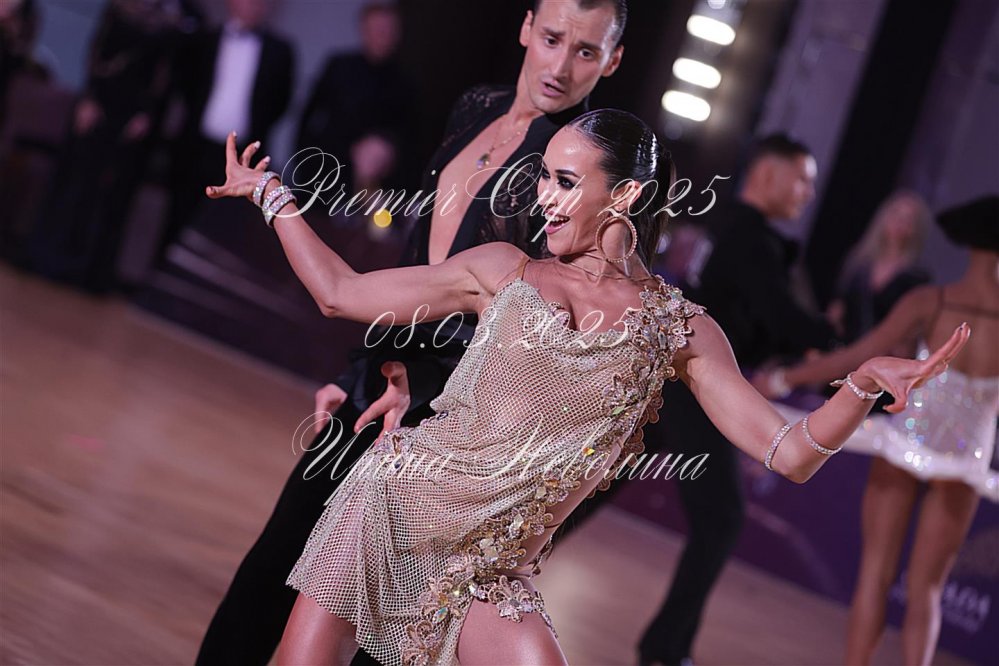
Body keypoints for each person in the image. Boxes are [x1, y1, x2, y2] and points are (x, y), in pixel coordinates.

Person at [205, 108, 969, 665]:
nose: (543, 195)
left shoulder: (679, 330)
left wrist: (860, 385)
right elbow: (340, 292)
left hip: (485, 572)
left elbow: (790, 451)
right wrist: (272, 195)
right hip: (391, 509)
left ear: (625, 197)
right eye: (543, 175)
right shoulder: (502, 270)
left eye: (565, 181)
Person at [194, 2, 625, 664]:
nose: (561, 66)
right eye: (552, 39)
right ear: (525, 28)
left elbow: (536, 322)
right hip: (380, 382)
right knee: (273, 568)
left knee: (383, 628)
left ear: (613, 61)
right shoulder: (476, 107)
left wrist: (418, 386)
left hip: (448, 421)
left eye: (586, 52)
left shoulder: (577, 168)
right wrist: (359, 370)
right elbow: (417, 263)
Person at [758, 195, 998, 666]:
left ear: (968, 242)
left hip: (904, 444)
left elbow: (858, 358)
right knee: (928, 590)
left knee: (875, 575)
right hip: (965, 461)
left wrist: (784, 378)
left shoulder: (932, 301)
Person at [630, 134, 839, 666]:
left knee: (594, 489)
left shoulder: (731, 228)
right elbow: (778, 316)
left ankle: (664, 646)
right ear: (767, 175)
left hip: (674, 378)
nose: (809, 193)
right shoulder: (750, 239)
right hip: (695, 385)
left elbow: (757, 318)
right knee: (721, 517)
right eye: (803, 179)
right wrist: (832, 337)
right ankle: (664, 649)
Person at [25, 0, 184, 292]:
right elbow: (97, 54)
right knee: (74, 180)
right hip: (97, 106)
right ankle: (48, 256)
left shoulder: (169, 22)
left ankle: (84, 270)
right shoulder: (118, 10)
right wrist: (89, 98)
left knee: (107, 194)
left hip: (130, 115)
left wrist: (145, 112)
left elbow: (163, 76)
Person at [155, 0, 294, 266]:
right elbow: (186, 84)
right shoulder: (205, 39)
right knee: (177, 213)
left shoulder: (280, 51)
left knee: (223, 230)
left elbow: (281, 101)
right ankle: (158, 277)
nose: (253, 6)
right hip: (196, 145)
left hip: (244, 155)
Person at [295, 2, 415, 193]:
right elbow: (309, 119)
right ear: (364, 31)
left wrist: (385, 147)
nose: (382, 37)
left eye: (387, 31)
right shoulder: (339, 68)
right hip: (332, 173)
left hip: (384, 182)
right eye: (377, 30)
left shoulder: (406, 81)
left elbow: (410, 135)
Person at [828, 190, 932, 344]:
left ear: (915, 228)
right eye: (896, 214)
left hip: (882, 350)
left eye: (907, 219)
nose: (899, 223)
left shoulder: (916, 277)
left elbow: (910, 328)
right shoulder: (859, 262)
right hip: (845, 345)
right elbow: (838, 306)